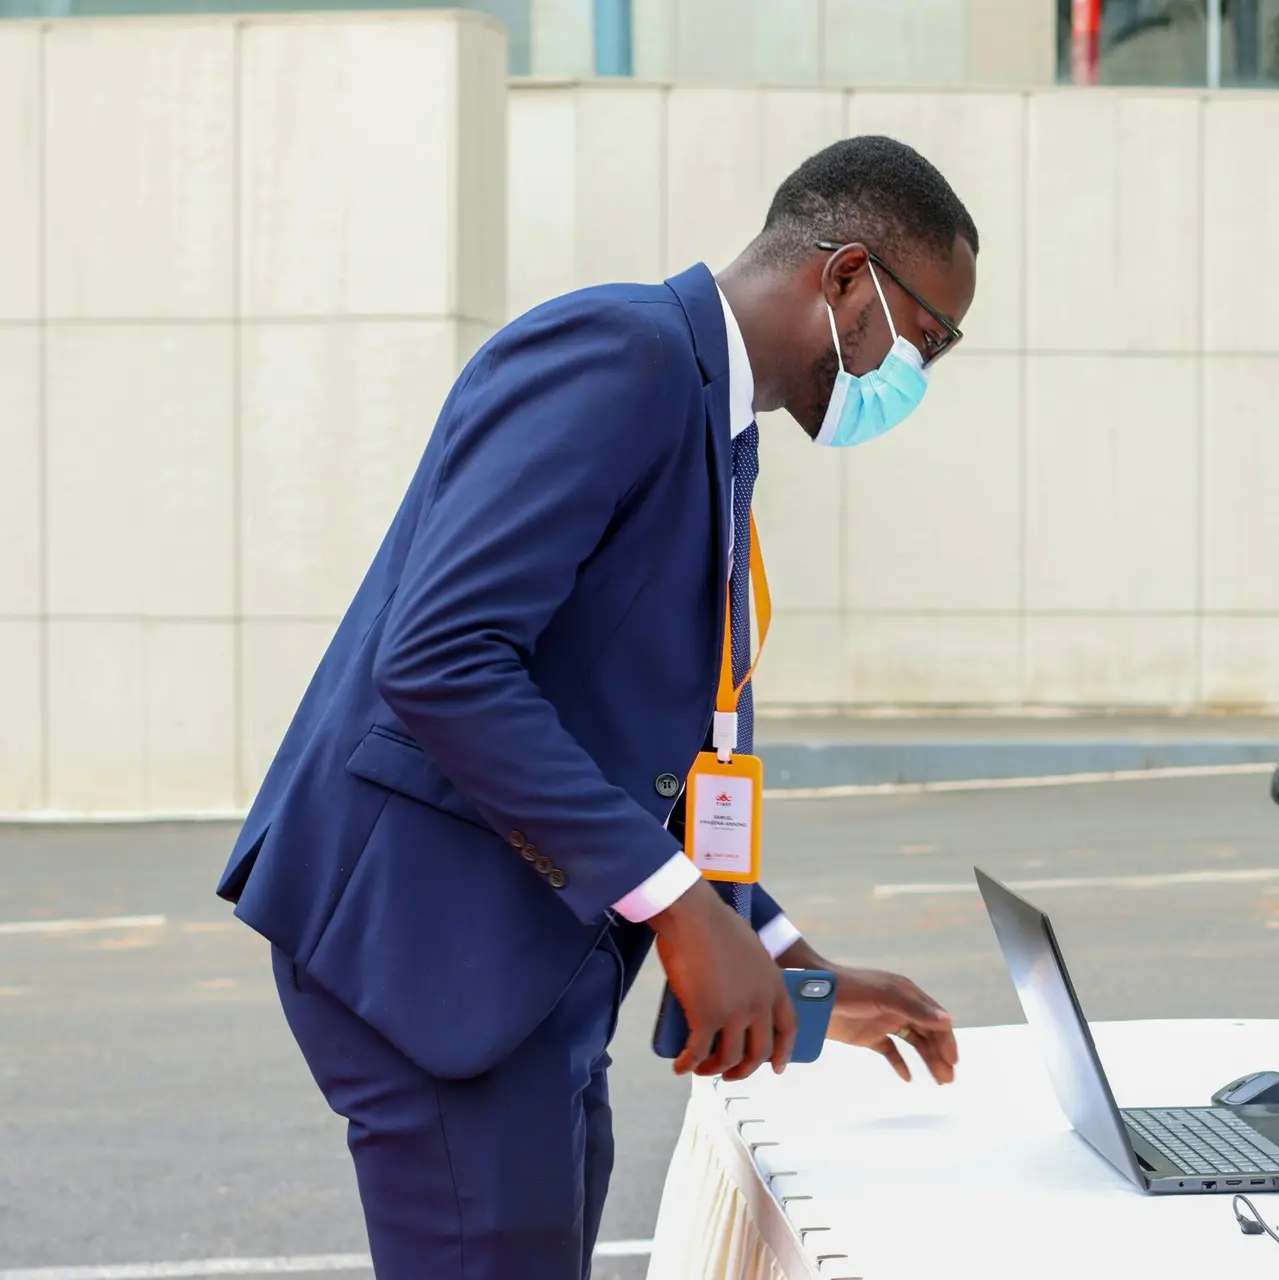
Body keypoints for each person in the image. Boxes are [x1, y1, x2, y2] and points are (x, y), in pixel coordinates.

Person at [214, 136, 978, 1278]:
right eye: (929, 337)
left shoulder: (716, 427)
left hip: (537, 962)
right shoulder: (621, 356)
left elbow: (652, 742)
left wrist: (776, 948)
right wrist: (679, 907)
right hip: (435, 946)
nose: (919, 373)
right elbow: (442, 658)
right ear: (849, 279)